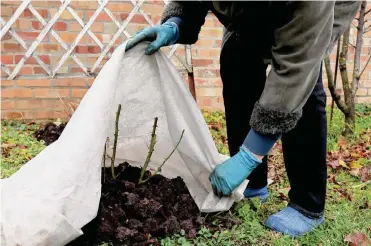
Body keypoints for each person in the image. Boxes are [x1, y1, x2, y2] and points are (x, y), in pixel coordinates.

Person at [125, 1, 361, 237]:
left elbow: (295, 69)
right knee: (236, 55)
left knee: (304, 85)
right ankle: (253, 184)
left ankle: (307, 204)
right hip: (254, 9)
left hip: (322, 8)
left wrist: (249, 155)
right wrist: (177, 23)